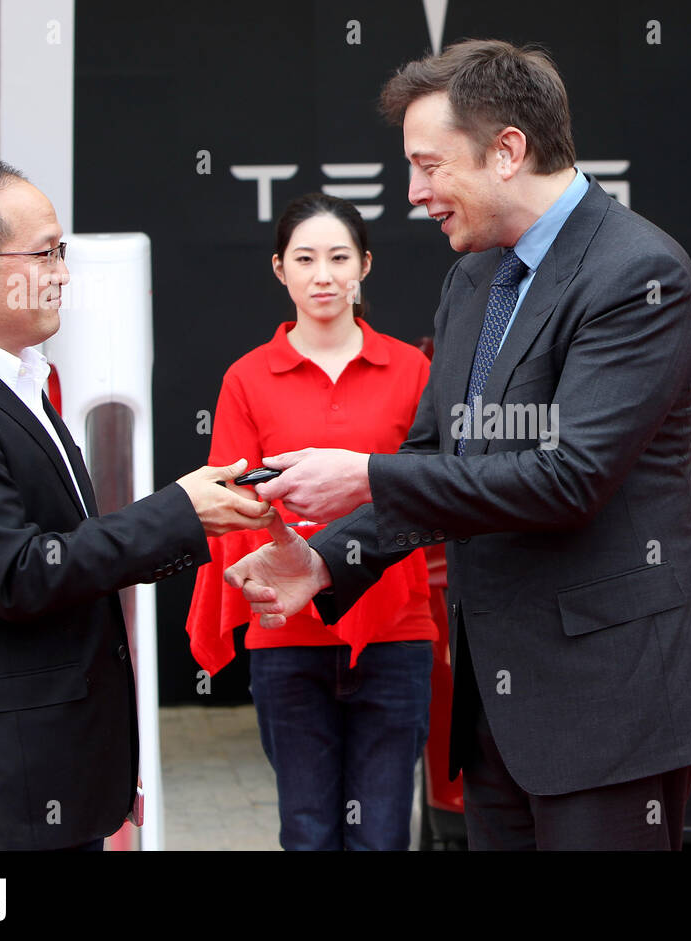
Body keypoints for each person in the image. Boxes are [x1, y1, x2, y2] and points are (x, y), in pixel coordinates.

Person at [225, 40, 691, 850]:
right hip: (499, 714)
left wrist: (366, 475)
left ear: (508, 151)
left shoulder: (638, 272)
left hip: (611, 708)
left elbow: (570, 478)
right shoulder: (474, 276)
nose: (416, 194)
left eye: (430, 165)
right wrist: (328, 560)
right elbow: (442, 456)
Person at [0, 157, 274, 851]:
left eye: (62, 252)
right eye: (46, 252)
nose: (63, 272)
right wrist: (179, 510)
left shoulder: (17, 383)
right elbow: (21, 575)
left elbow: (69, 558)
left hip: (54, 784)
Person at [184, 193, 437, 850]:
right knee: (306, 829)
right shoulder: (246, 378)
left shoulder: (412, 370)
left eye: (338, 257)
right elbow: (227, 497)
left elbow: (434, 492)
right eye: (305, 258)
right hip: (287, 634)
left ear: (365, 266)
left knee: (382, 834)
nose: (323, 274)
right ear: (279, 270)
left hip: (397, 629)